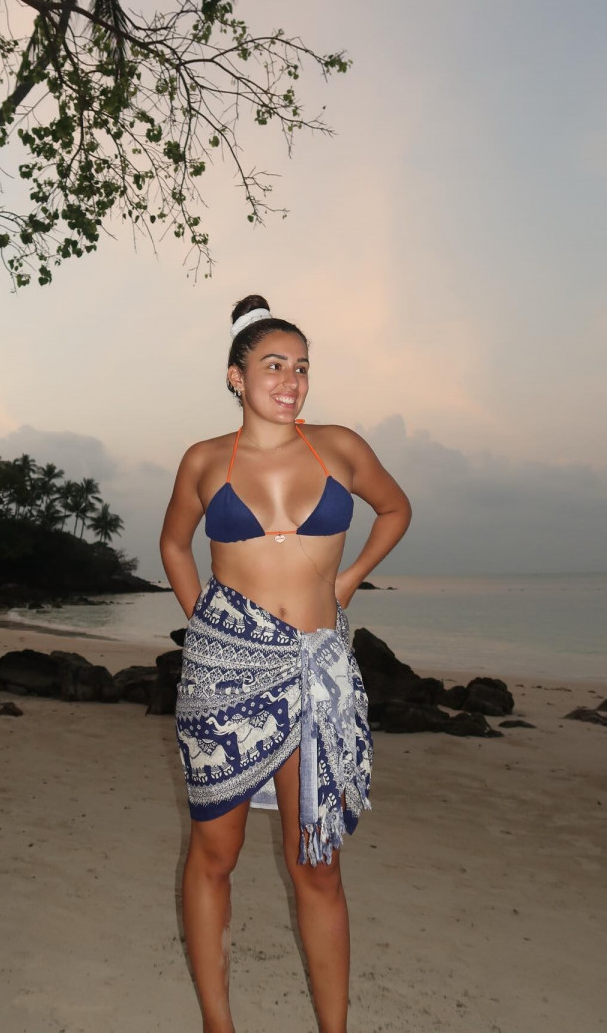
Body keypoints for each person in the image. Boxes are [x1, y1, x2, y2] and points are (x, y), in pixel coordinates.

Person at [159, 295, 412, 1033]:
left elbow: (395, 509)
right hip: (223, 677)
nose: (291, 381)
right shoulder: (204, 460)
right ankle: (218, 1025)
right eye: (274, 366)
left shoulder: (339, 447)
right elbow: (174, 544)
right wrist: (208, 625)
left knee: (317, 863)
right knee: (215, 853)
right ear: (236, 377)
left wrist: (349, 579)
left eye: (301, 367)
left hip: (315, 672)